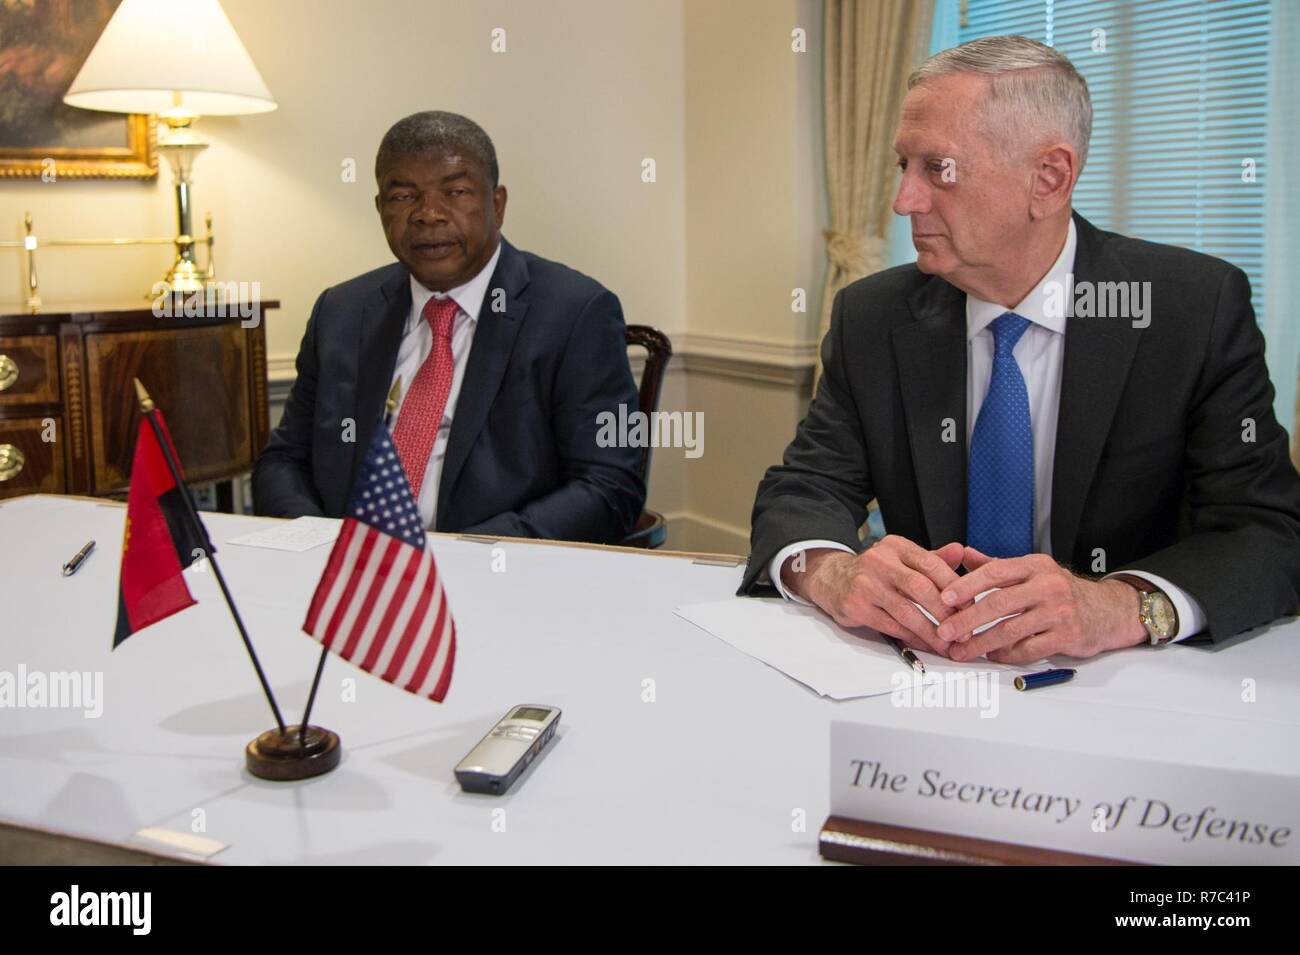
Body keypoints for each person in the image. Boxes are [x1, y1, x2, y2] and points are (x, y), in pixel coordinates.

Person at [740, 36, 1300, 662]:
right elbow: (804, 489)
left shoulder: (1191, 309)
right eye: (904, 166)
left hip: (1125, 683)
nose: (904, 201)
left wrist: (1122, 605)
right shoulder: (874, 316)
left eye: (939, 169)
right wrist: (832, 572)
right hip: (922, 675)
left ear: (1049, 178)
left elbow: (1264, 532)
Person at [254, 111, 644, 543]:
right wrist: (317, 543)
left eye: (455, 192)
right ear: (380, 208)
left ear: (497, 204)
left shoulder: (575, 313)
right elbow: (284, 461)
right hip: (350, 579)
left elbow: (610, 486)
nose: (428, 215)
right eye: (403, 197)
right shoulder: (341, 311)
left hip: (498, 580)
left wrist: (472, 554)